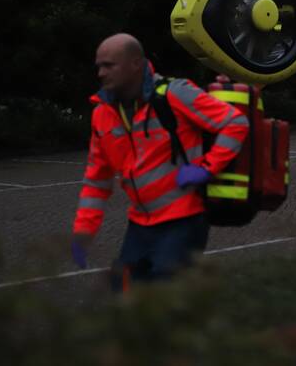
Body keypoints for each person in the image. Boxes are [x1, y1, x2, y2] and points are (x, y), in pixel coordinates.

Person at [70, 33, 249, 289]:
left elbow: (235, 122)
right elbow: (97, 181)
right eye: (98, 66)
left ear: (136, 64)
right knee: (123, 291)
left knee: (165, 296)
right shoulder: (102, 115)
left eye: (109, 65)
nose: (100, 73)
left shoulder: (174, 94)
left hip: (183, 220)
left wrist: (207, 168)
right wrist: (84, 230)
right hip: (140, 224)